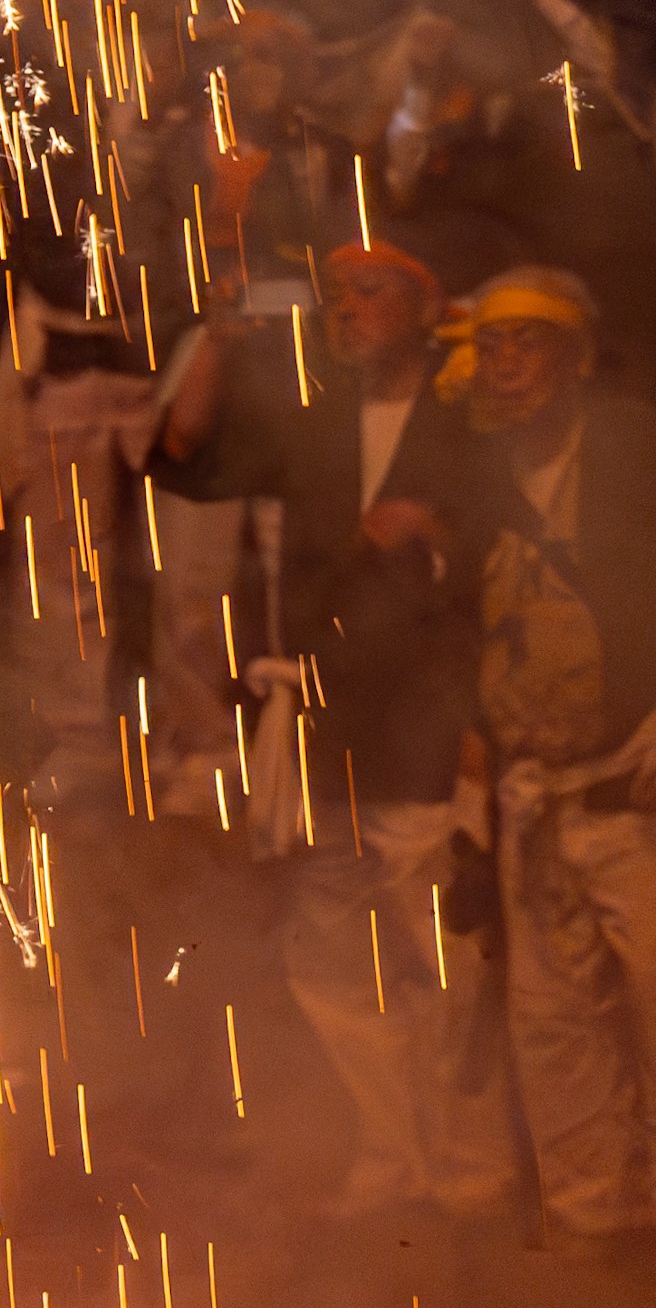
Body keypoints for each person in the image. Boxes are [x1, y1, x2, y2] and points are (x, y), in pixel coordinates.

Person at [154, 241, 513, 1218]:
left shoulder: (470, 419)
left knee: (432, 952)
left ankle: (468, 1158)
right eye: (336, 295)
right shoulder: (313, 423)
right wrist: (219, 334)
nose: (346, 310)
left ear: (425, 300)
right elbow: (180, 458)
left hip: (422, 728)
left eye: (372, 290)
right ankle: (394, 1154)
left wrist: (481, 709)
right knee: (331, 960)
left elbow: (497, 574)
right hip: (321, 727)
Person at [459, 266, 656, 1247]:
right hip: (533, 792)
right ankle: (596, 1215)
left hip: (634, 782)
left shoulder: (632, 450)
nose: (507, 365)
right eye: (495, 346)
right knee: (555, 1021)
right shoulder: (479, 471)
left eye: (529, 344)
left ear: (576, 359)